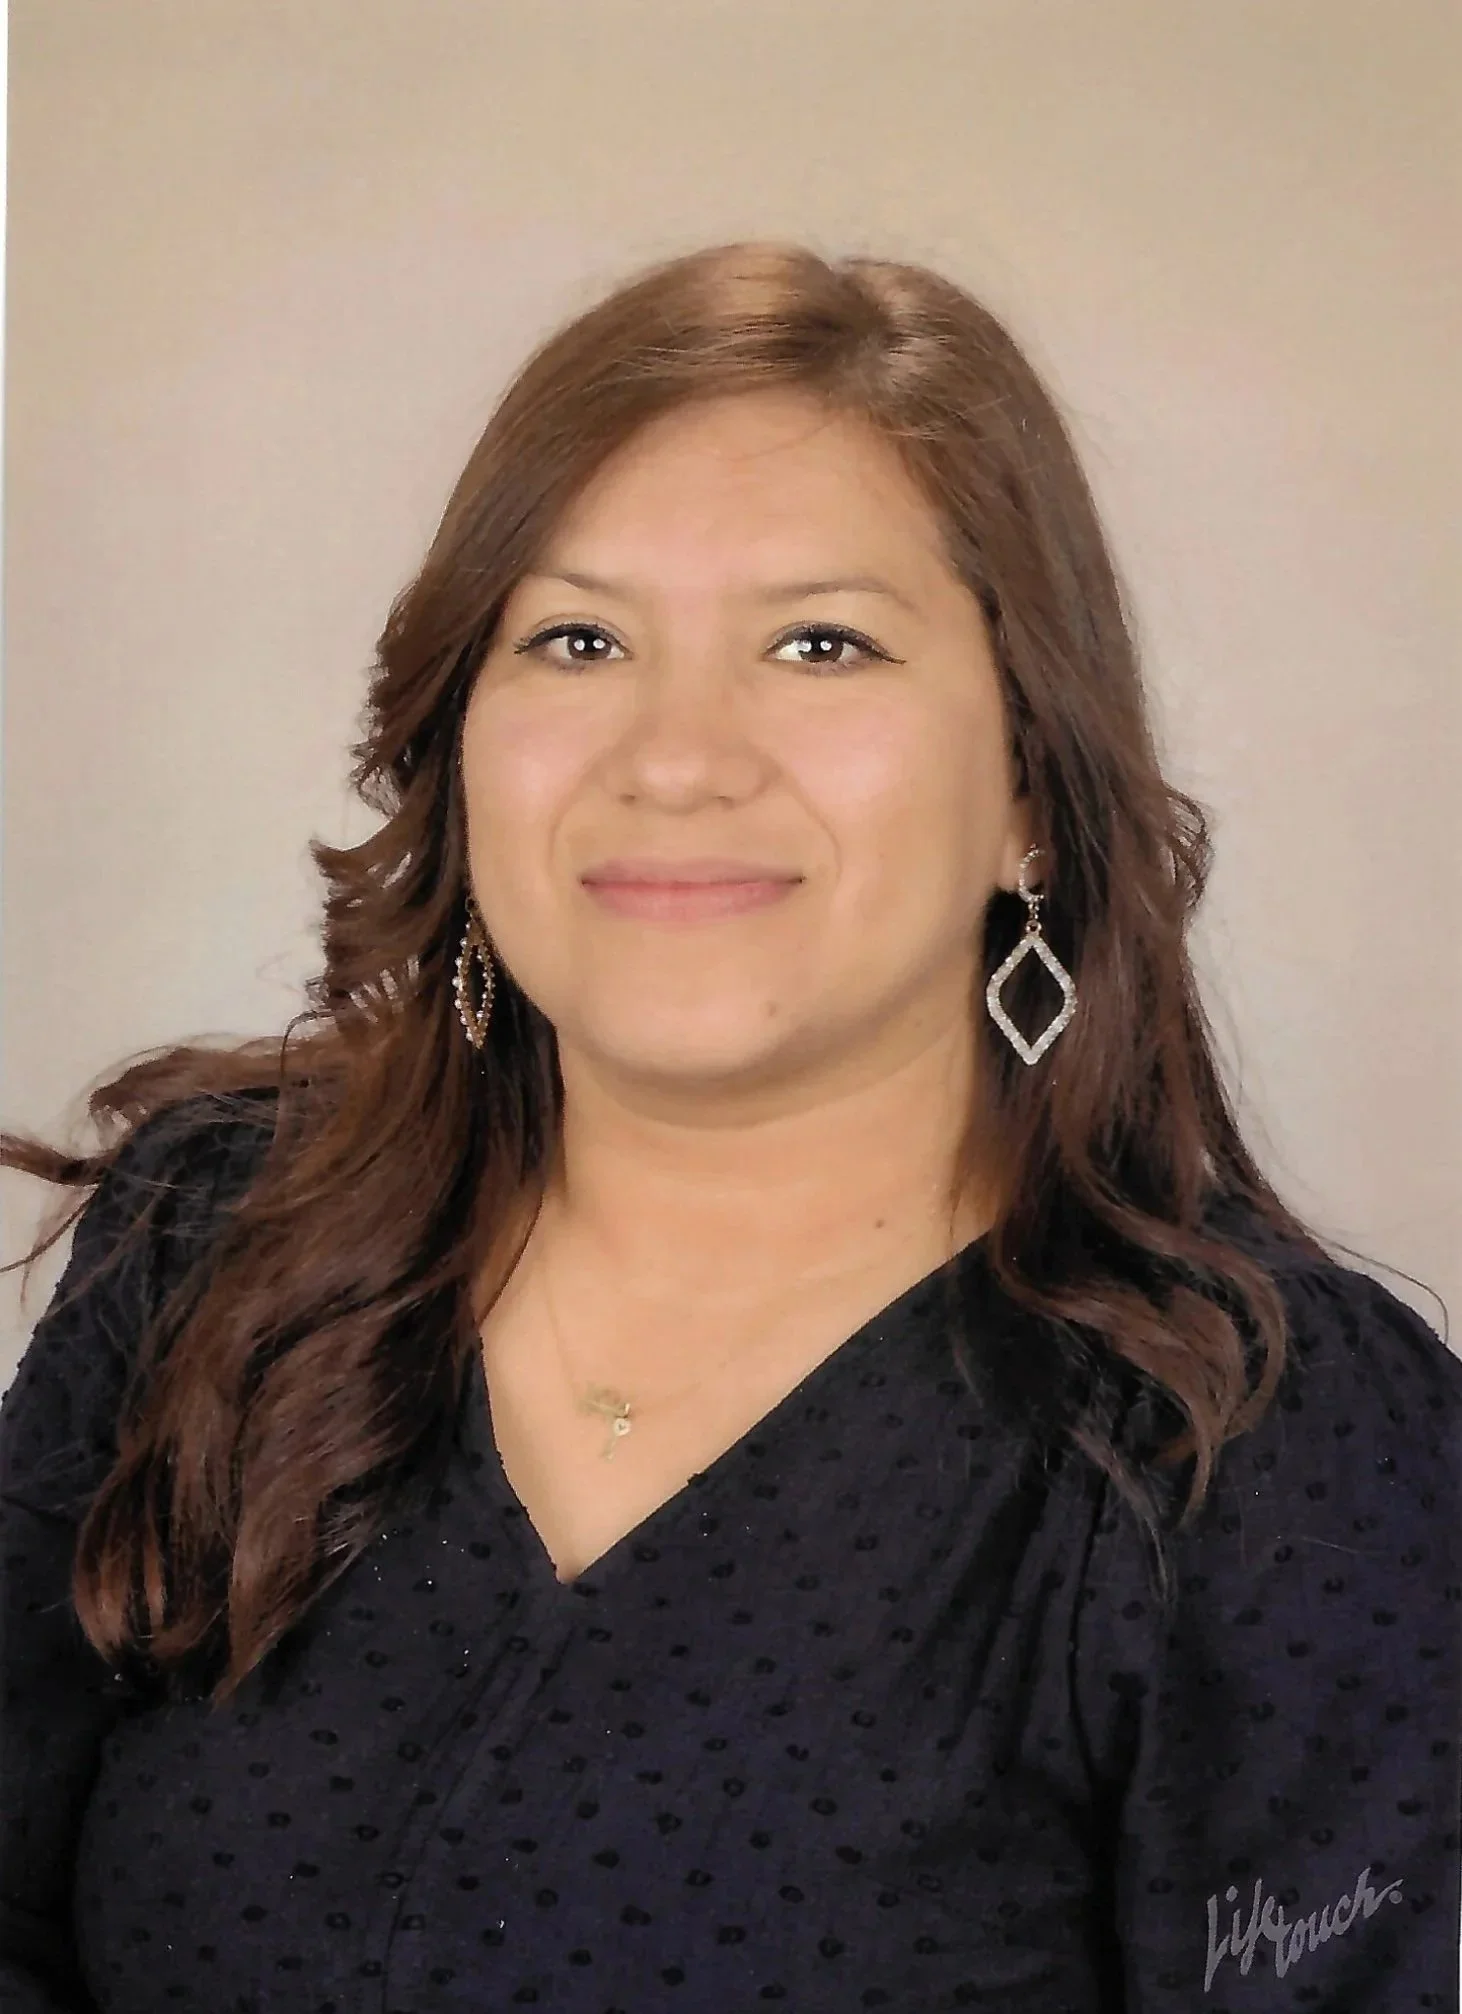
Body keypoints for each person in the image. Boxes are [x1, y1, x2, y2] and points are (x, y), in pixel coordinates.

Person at [2, 241, 1457, 2014]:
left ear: (1029, 793)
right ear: (461, 744)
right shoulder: (213, 1241)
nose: (675, 755)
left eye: (820, 643)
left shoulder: (1262, 1442)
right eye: (579, 637)